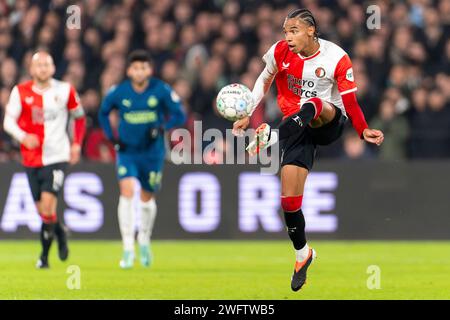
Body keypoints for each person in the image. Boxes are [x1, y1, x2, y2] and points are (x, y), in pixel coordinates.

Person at [232, 9, 384, 291]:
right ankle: (303, 255)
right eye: (286, 31)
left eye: (294, 31)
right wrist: (248, 110)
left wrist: (363, 129)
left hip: (329, 119)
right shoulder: (278, 52)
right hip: (296, 127)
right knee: (289, 202)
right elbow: (264, 80)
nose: (288, 37)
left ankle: (272, 137)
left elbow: (350, 102)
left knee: (313, 103)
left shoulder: (336, 57)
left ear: (311, 31)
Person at [98, 50, 186, 269]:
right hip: (127, 151)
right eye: (135, 68)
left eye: (143, 67)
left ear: (150, 70)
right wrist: (112, 138)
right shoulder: (119, 92)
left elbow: (179, 114)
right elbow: (103, 112)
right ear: (129, 71)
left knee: (147, 199)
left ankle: (144, 240)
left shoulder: (161, 89)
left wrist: (162, 127)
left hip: (152, 153)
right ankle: (128, 248)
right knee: (126, 192)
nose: (139, 72)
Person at [3, 51, 86, 269]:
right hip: (31, 159)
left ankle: (44, 258)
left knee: (48, 207)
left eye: (46, 64)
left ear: (53, 68)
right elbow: (8, 122)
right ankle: (61, 232)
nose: (42, 68)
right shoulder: (20, 92)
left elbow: (79, 118)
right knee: (43, 211)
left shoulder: (65, 90)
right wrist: (23, 136)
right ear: (31, 69)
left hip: (57, 156)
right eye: (38, 64)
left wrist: (76, 144)